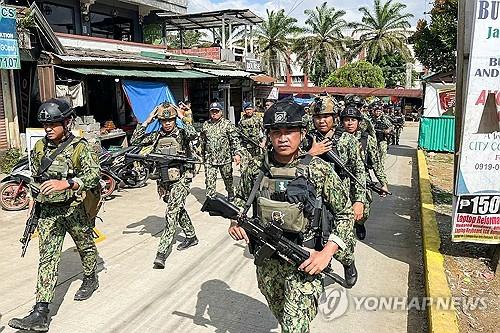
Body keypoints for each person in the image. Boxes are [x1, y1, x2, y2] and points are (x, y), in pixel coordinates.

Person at [228, 98, 353, 332]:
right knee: (284, 318)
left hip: (304, 260)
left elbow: (345, 214)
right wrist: (236, 221)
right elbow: (240, 200)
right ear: (268, 135)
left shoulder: (318, 170)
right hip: (267, 263)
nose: (283, 138)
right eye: (276, 132)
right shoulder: (256, 167)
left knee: (294, 328)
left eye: (289, 131)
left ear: (302, 133)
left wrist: (327, 253)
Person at [9, 98, 101, 332]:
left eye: (54, 124)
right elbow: (36, 176)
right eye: (45, 125)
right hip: (48, 211)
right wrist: (33, 200)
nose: (48, 129)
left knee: (86, 246)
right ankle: (41, 313)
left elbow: (93, 176)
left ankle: (91, 277)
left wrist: (68, 183)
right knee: (47, 258)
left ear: (67, 122)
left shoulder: (80, 146)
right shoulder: (39, 147)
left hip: (73, 209)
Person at [130, 103, 199, 268]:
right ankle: (191, 236)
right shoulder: (155, 136)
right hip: (164, 179)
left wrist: (183, 117)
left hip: (182, 177)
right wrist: (147, 120)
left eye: (170, 120)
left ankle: (161, 253)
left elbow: (193, 134)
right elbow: (135, 140)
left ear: (175, 119)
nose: (167, 123)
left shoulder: (182, 134)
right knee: (177, 208)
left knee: (171, 213)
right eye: (163, 120)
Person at [307, 95, 365, 286]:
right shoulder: (307, 139)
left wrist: (359, 201)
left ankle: (349, 263)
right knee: (315, 237)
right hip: (313, 198)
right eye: (317, 117)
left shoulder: (347, 140)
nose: (322, 120)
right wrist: (310, 154)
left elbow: (358, 170)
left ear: (334, 117)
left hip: (340, 201)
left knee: (342, 241)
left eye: (326, 116)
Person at [341, 106, 389, 239]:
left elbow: (376, 163)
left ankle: (360, 224)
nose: (350, 123)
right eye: (346, 120)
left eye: (353, 120)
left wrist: (383, 183)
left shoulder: (367, 139)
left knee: (365, 211)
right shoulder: (337, 138)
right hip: (342, 180)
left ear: (358, 122)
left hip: (362, 180)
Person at [200, 102, 242, 200]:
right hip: (210, 159)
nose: (214, 113)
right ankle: (211, 199)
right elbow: (203, 141)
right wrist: (202, 155)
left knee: (228, 179)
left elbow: (234, 140)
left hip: (225, 158)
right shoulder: (206, 124)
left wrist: (237, 153)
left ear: (221, 112)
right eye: (212, 112)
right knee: (210, 181)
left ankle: (231, 194)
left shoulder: (227, 124)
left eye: (216, 111)